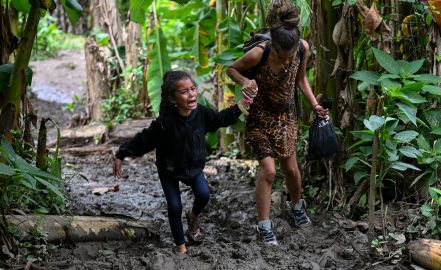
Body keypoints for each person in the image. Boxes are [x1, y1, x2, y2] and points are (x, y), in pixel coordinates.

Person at [112, 70, 256, 254]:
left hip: (193, 168)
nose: (192, 94)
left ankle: (192, 216)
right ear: (173, 99)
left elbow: (220, 119)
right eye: (185, 91)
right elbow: (143, 140)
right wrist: (120, 154)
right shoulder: (165, 123)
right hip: (169, 169)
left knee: (204, 195)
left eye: (193, 89)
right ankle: (181, 247)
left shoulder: (201, 114)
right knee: (174, 206)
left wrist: (244, 103)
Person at [226, 1, 328, 246]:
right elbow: (231, 70)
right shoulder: (259, 52)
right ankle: (264, 226)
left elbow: (301, 80)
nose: (286, 62)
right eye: (281, 57)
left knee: (291, 170)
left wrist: (315, 105)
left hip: (286, 116)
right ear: (273, 47)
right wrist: (243, 82)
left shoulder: (302, 48)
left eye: (289, 57)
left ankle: (296, 206)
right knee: (269, 172)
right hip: (260, 116)